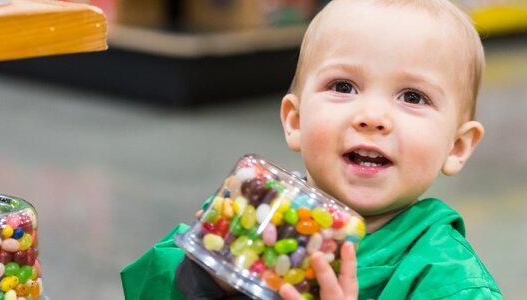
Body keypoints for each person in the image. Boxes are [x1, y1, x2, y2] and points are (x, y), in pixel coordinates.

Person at [121, 0, 502, 299]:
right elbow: (150, 281)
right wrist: (205, 277)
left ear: (456, 146)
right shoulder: (261, 218)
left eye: (413, 96)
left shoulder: (450, 281)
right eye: (343, 87)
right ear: (295, 120)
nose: (372, 116)